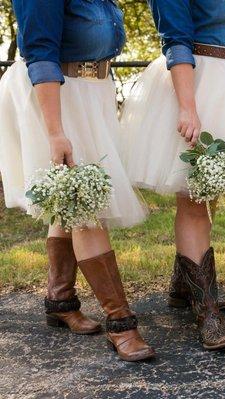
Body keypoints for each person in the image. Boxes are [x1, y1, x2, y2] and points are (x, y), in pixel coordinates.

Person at [0, 0, 154, 362]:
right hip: (57, 96)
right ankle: (121, 322)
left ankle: (60, 300)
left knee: (70, 202)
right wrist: (55, 133)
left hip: (91, 93)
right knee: (86, 204)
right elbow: (39, 53)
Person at [120, 0, 225, 350]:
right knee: (192, 198)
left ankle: (183, 285)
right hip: (198, 82)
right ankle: (206, 312)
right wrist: (188, 106)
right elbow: (175, 38)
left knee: (211, 187)